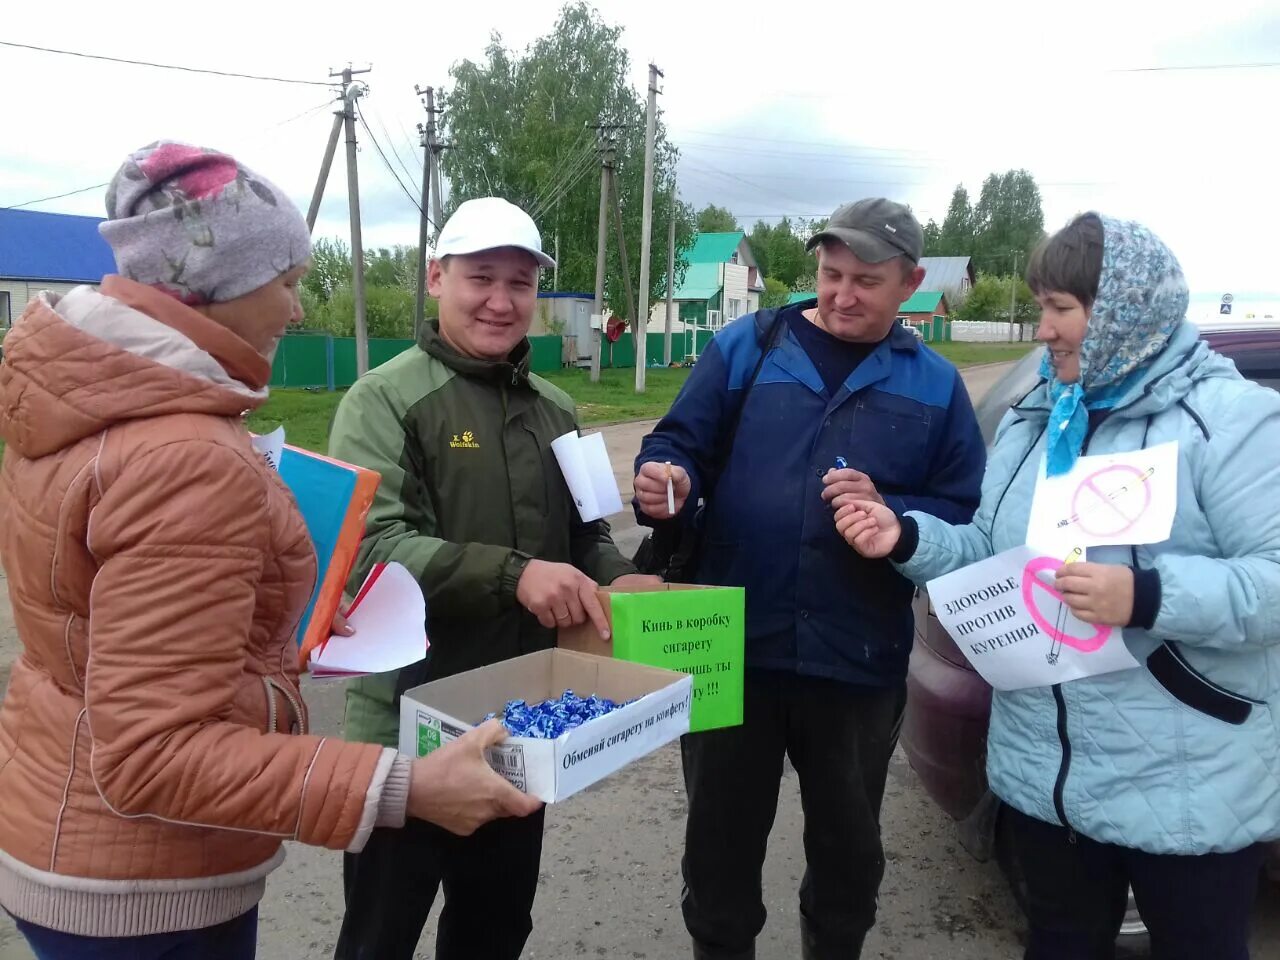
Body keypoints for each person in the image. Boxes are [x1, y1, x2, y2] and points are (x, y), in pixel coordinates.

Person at [0, 142, 540, 960]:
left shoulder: (87, 399)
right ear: (219, 287)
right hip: (144, 887)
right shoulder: (182, 453)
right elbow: (154, 754)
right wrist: (406, 785)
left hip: (68, 826)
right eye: (286, 284)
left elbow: (100, 629)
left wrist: (274, 626)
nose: (295, 311)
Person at [838, 212, 1280, 960]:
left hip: (1185, 784)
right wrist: (905, 534)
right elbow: (989, 548)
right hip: (1045, 777)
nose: (1041, 329)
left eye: (1059, 309)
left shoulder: (1232, 423)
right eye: (1042, 306)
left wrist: (1145, 595)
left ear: (1121, 312)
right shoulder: (1042, 419)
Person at [632, 198, 987, 959]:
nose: (842, 294)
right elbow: (676, 442)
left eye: (866, 280)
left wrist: (896, 518)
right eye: (831, 274)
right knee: (720, 857)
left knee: (848, 862)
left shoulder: (935, 386)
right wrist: (666, 475)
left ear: (911, 284)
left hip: (855, 664)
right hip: (729, 650)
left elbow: (964, 513)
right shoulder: (746, 348)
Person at [328, 196, 659, 960]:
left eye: (520, 283)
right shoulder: (383, 399)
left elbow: (586, 532)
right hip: (407, 731)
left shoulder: (557, 406)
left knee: (494, 930)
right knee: (378, 938)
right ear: (436, 276)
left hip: (522, 725)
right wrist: (513, 575)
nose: (502, 301)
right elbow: (367, 551)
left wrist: (616, 578)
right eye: (482, 277)